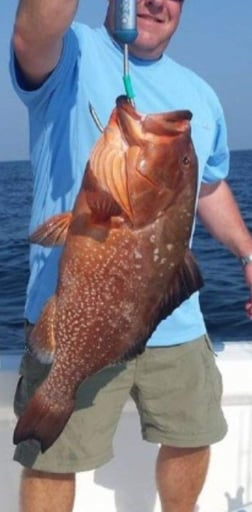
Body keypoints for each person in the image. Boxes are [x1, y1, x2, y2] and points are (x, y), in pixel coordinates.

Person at [10, 1, 252, 511]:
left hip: (177, 323)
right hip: (82, 316)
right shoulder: (70, 51)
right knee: (53, 459)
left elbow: (207, 186)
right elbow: (33, 34)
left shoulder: (202, 96)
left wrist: (248, 252)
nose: (155, 2)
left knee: (192, 434)